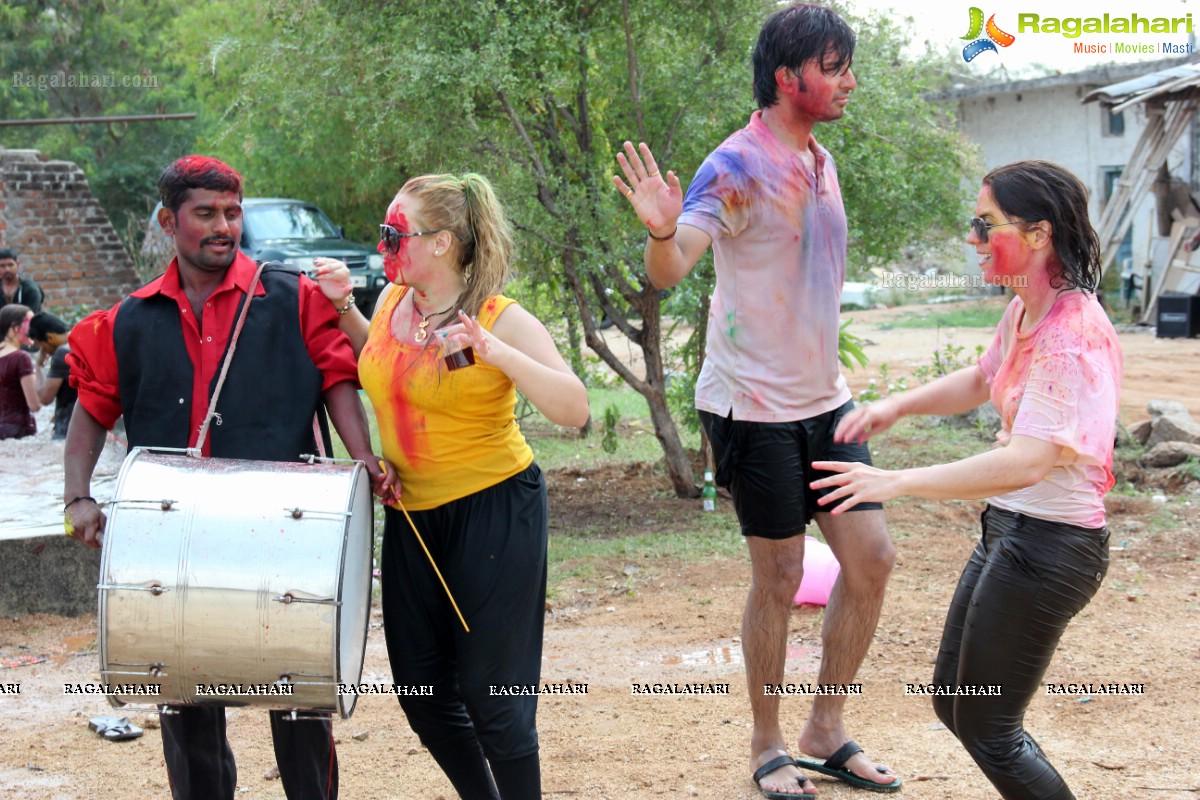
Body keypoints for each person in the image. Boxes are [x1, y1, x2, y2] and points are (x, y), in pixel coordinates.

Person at [612, 4, 900, 797]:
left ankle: (826, 728)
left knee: (871, 560)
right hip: (753, 407)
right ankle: (768, 743)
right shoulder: (734, 164)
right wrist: (662, 231)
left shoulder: (820, 159)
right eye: (834, 67)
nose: (848, 81)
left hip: (825, 402)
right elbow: (669, 271)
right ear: (787, 77)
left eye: (847, 66)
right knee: (776, 578)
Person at [63, 155, 393, 800]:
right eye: (205, 214)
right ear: (168, 221)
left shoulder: (294, 297)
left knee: (299, 696)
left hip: (282, 526)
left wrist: (364, 461)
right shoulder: (126, 321)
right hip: (171, 533)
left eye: (232, 212)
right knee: (185, 703)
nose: (223, 226)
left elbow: (338, 381)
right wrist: (78, 498)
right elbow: (89, 415)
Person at [812, 160, 1121, 800]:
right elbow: (983, 380)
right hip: (1011, 530)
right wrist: (896, 406)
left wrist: (896, 482)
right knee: (956, 703)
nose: (974, 241)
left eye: (986, 226)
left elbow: (1029, 460)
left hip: (1052, 545)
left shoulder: (1070, 333)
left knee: (987, 723)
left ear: (1037, 234)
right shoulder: (1027, 311)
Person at [312, 173, 589, 800]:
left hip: (495, 511)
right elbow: (384, 363)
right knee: (421, 690)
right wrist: (343, 308)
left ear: (441, 242)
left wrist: (494, 352)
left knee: (495, 700)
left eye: (394, 233)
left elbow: (574, 408)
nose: (384, 244)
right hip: (414, 517)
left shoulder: (498, 317)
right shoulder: (391, 303)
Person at [27, 312, 76, 439]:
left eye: (40, 345)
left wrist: (37, 366)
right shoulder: (80, 341)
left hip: (68, 429)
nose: (43, 351)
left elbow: (44, 398)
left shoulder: (62, 352)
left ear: (49, 337)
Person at [0, 304, 40, 439]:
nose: (35, 328)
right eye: (31, 323)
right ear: (14, 328)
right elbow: (34, 405)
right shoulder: (21, 358)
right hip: (19, 431)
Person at [0, 248, 44, 314]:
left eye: (10, 265)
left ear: (17, 265)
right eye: (2, 266)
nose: (7, 269)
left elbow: (32, 317)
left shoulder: (30, 289)